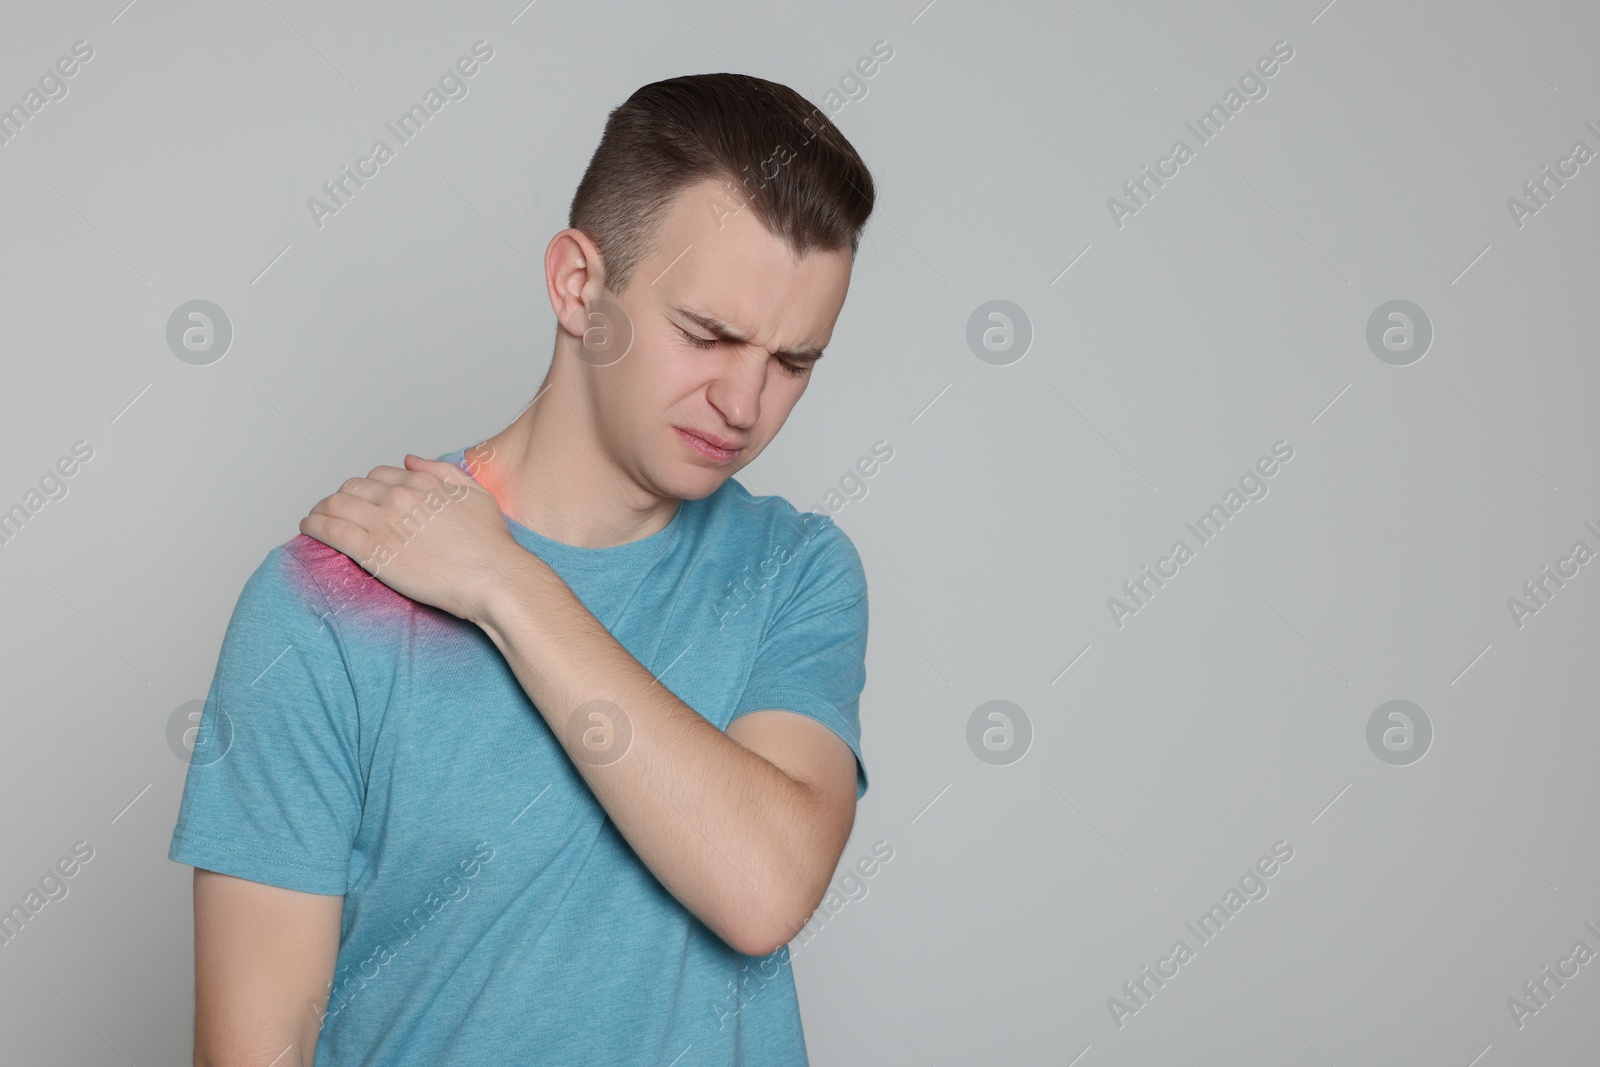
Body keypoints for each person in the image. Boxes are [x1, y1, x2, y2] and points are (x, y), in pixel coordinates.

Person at [167, 71, 877, 1066]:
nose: (745, 401)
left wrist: (504, 584)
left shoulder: (795, 572)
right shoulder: (326, 605)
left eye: (793, 360)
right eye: (707, 334)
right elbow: (253, 1048)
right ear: (579, 286)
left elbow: (762, 884)